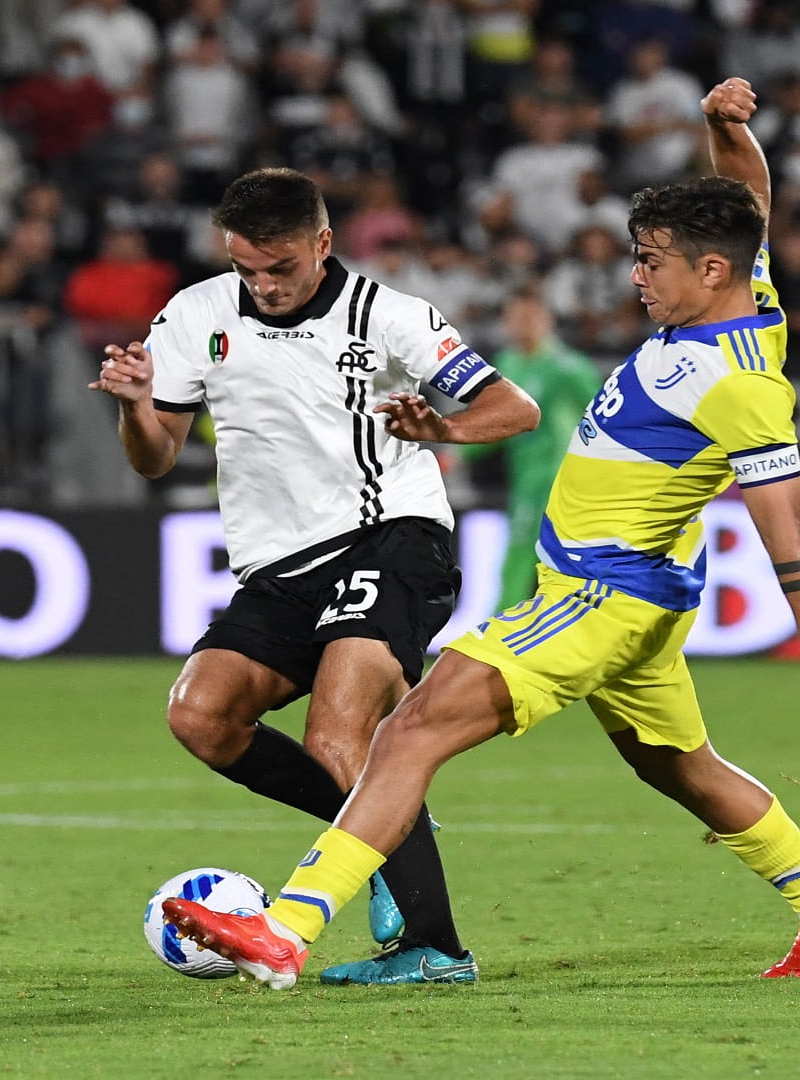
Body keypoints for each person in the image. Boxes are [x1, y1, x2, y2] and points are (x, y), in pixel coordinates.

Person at [162, 79, 800, 989]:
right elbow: (748, 205)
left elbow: (789, 531)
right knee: (678, 765)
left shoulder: (743, 383)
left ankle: (286, 926)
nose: (637, 275)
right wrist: (721, 129)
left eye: (652, 261)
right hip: (644, 594)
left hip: (602, 594)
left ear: (708, 272)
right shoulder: (747, 300)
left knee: (408, 732)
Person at [91, 167, 540, 984]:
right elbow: (155, 459)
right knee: (201, 715)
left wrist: (442, 425)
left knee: (340, 735)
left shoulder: (390, 316)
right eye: (246, 269)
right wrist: (136, 404)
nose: (262, 285)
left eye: (281, 268)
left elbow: (516, 408)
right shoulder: (195, 313)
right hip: (278, 565)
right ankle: (381, 829)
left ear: (323, 245)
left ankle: (433, 948)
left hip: (390, 536)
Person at [462, 291, 606, 611]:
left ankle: (496, 638)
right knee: (530, 559)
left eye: (530, 317)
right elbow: (497, 425)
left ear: (547, 321)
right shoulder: (507, 365)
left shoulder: (568, 368)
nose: (522, 326)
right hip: (525, 478)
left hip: (560, 480)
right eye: (515, 318)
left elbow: (603, 418)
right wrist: (460, 452)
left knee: (523, 558)